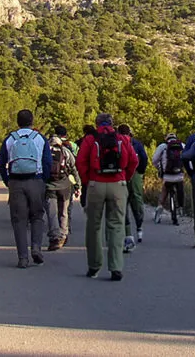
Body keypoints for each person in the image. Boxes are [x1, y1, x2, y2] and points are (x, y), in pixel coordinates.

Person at [75, 113, 138, 281]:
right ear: (112, 123)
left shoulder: (90, 139)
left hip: (96, 183)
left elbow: (80, 161)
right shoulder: (121, 138)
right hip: (118, 183)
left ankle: (94, 266)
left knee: (93, 226)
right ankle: (116, 266)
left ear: (97, 124)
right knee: (116, 225)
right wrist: (125, 178)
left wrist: (87, 181)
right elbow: (133, 160)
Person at [0, 109, 52, 268]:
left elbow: (2, 163)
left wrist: (7, 180)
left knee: (19, 220)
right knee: (37, 216)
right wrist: (44, 180)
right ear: (32, 121)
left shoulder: (10, 139)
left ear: (17, 121)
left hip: (16, 182)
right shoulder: (39, 138)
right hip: (36, 180)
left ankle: (22, 257)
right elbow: (47, 162)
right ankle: (36, 247)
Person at [45, 124, 80, 251]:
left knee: (52, 212)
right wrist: (77, 185)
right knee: (63, 212)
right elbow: (73, 168)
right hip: (65, 186)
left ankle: (55, 236)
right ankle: (63, 234)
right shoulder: (66, 151)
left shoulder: (45, 151)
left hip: (49, 186)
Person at [117, 124, 148, 252]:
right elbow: (144, 158)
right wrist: (140, 171)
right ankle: (139, 225)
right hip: (134, 174)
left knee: (122, 204)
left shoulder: (116, 142)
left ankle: (128, 233)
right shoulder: (136, 143)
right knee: (137, 199)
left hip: (121, 173)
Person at [152, 133, 186, 225]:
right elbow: (187, 158)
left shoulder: (162, 146)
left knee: (164, 190)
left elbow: (154, 160)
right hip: (179, 176)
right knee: (181, 187)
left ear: (166, 139)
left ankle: (159, 211)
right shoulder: (182, 145)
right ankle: (181, 208)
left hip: (167, 176)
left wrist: (159, 168)